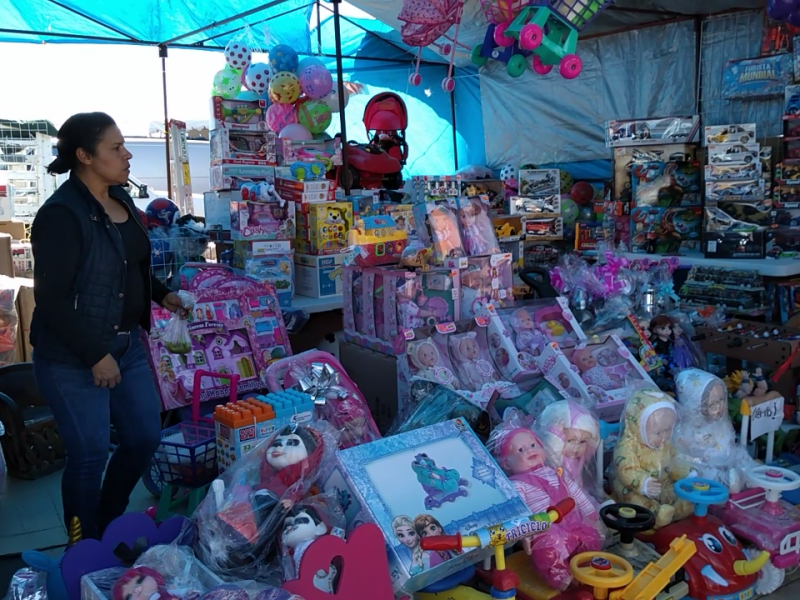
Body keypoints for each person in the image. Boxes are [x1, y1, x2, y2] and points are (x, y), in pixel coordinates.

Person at [30, 112, 187, 540]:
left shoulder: (122, 200)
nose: (127, 154)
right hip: (72, 356)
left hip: (126, 345)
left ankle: (110, 520)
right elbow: (52, 298)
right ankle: (82, 543)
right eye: (116, 148)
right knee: (90, 453)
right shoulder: (61, 214)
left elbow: (128, 265)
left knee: (143, 437)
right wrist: (94, 356)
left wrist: (161, 294)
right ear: (84, 156)